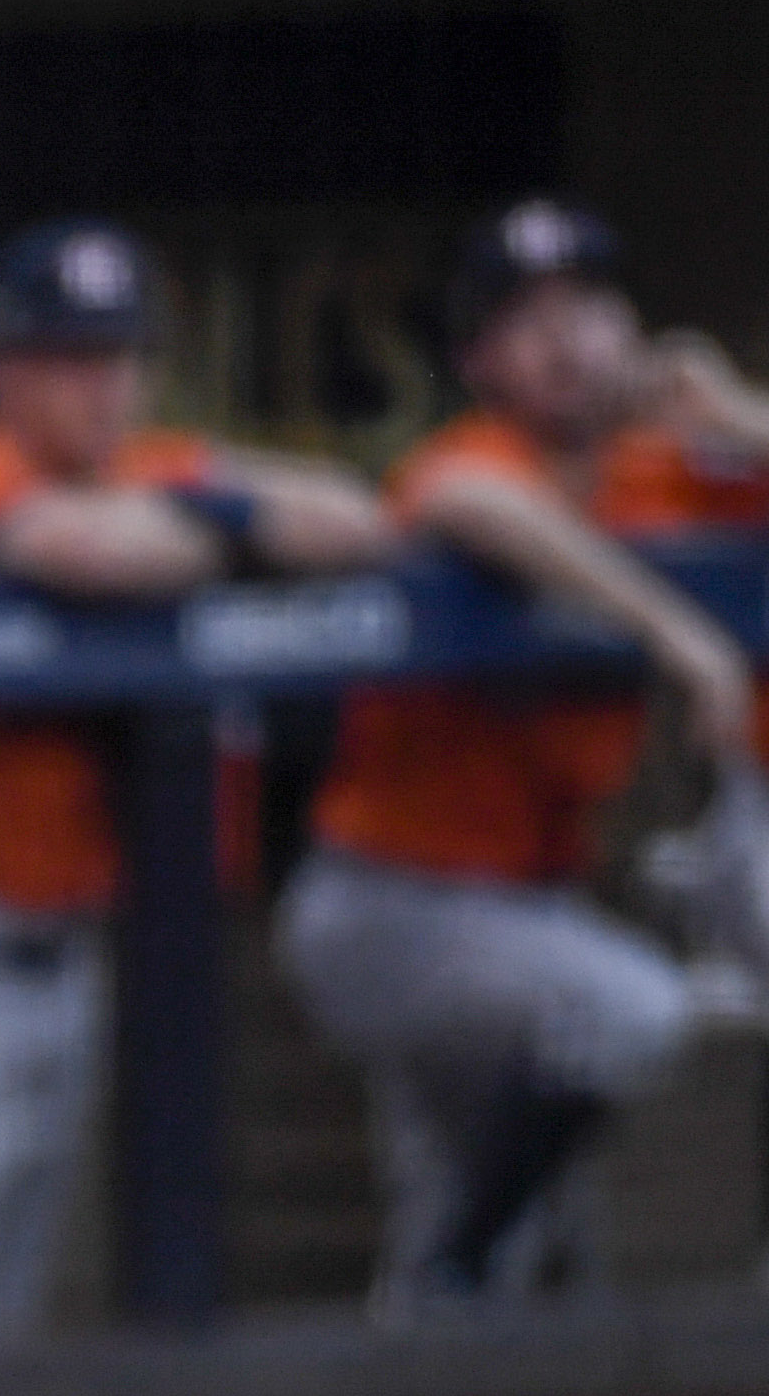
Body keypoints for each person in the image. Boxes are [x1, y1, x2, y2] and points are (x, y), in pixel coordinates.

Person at [0, 222, 393, 1347]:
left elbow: (359, 521)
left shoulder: (156, 470)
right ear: (1, 368)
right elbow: (89, 554)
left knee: (8, 1325)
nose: (101, 387)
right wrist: (235, 526)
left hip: (66, 962)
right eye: (68, 358)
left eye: (119, 358)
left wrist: (209, 508)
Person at [283, 198, 769, 1312]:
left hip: (524, 913)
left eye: (589, 307)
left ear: (635, 327)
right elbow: (471, 503)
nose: (565, 339)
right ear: (476, 360)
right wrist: (673, 628)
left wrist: (737, 416)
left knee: (515, 1236)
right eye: (525, 319)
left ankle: (431, 1343)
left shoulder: (663, 469)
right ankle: (453, 1271)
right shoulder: (476, 457)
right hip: (391, 907)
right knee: (632, 1012)